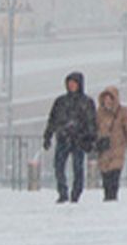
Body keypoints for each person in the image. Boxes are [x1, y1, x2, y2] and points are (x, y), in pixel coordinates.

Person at [42, 71, 98, 203]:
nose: (71, 86)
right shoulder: (60, 101)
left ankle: (76, 193)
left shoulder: (86, 102)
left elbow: (91, 122)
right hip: (63, 138)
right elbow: (52, 120)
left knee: (78, 167)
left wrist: (91, 139)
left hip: (79, 140)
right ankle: (63, 192)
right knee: (59, 166)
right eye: (69, 83)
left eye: (74, 83)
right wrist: (47, 136)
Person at [95, 86, 127, 201]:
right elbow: (94, 129)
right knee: (105, 174)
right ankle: (107, 195)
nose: (108, 101)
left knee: (114, 173)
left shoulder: (122, 112)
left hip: (117, 148)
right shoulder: (99, 113)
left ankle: (112, 195)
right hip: (104, 149)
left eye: (110, 98)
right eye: (106, 98)